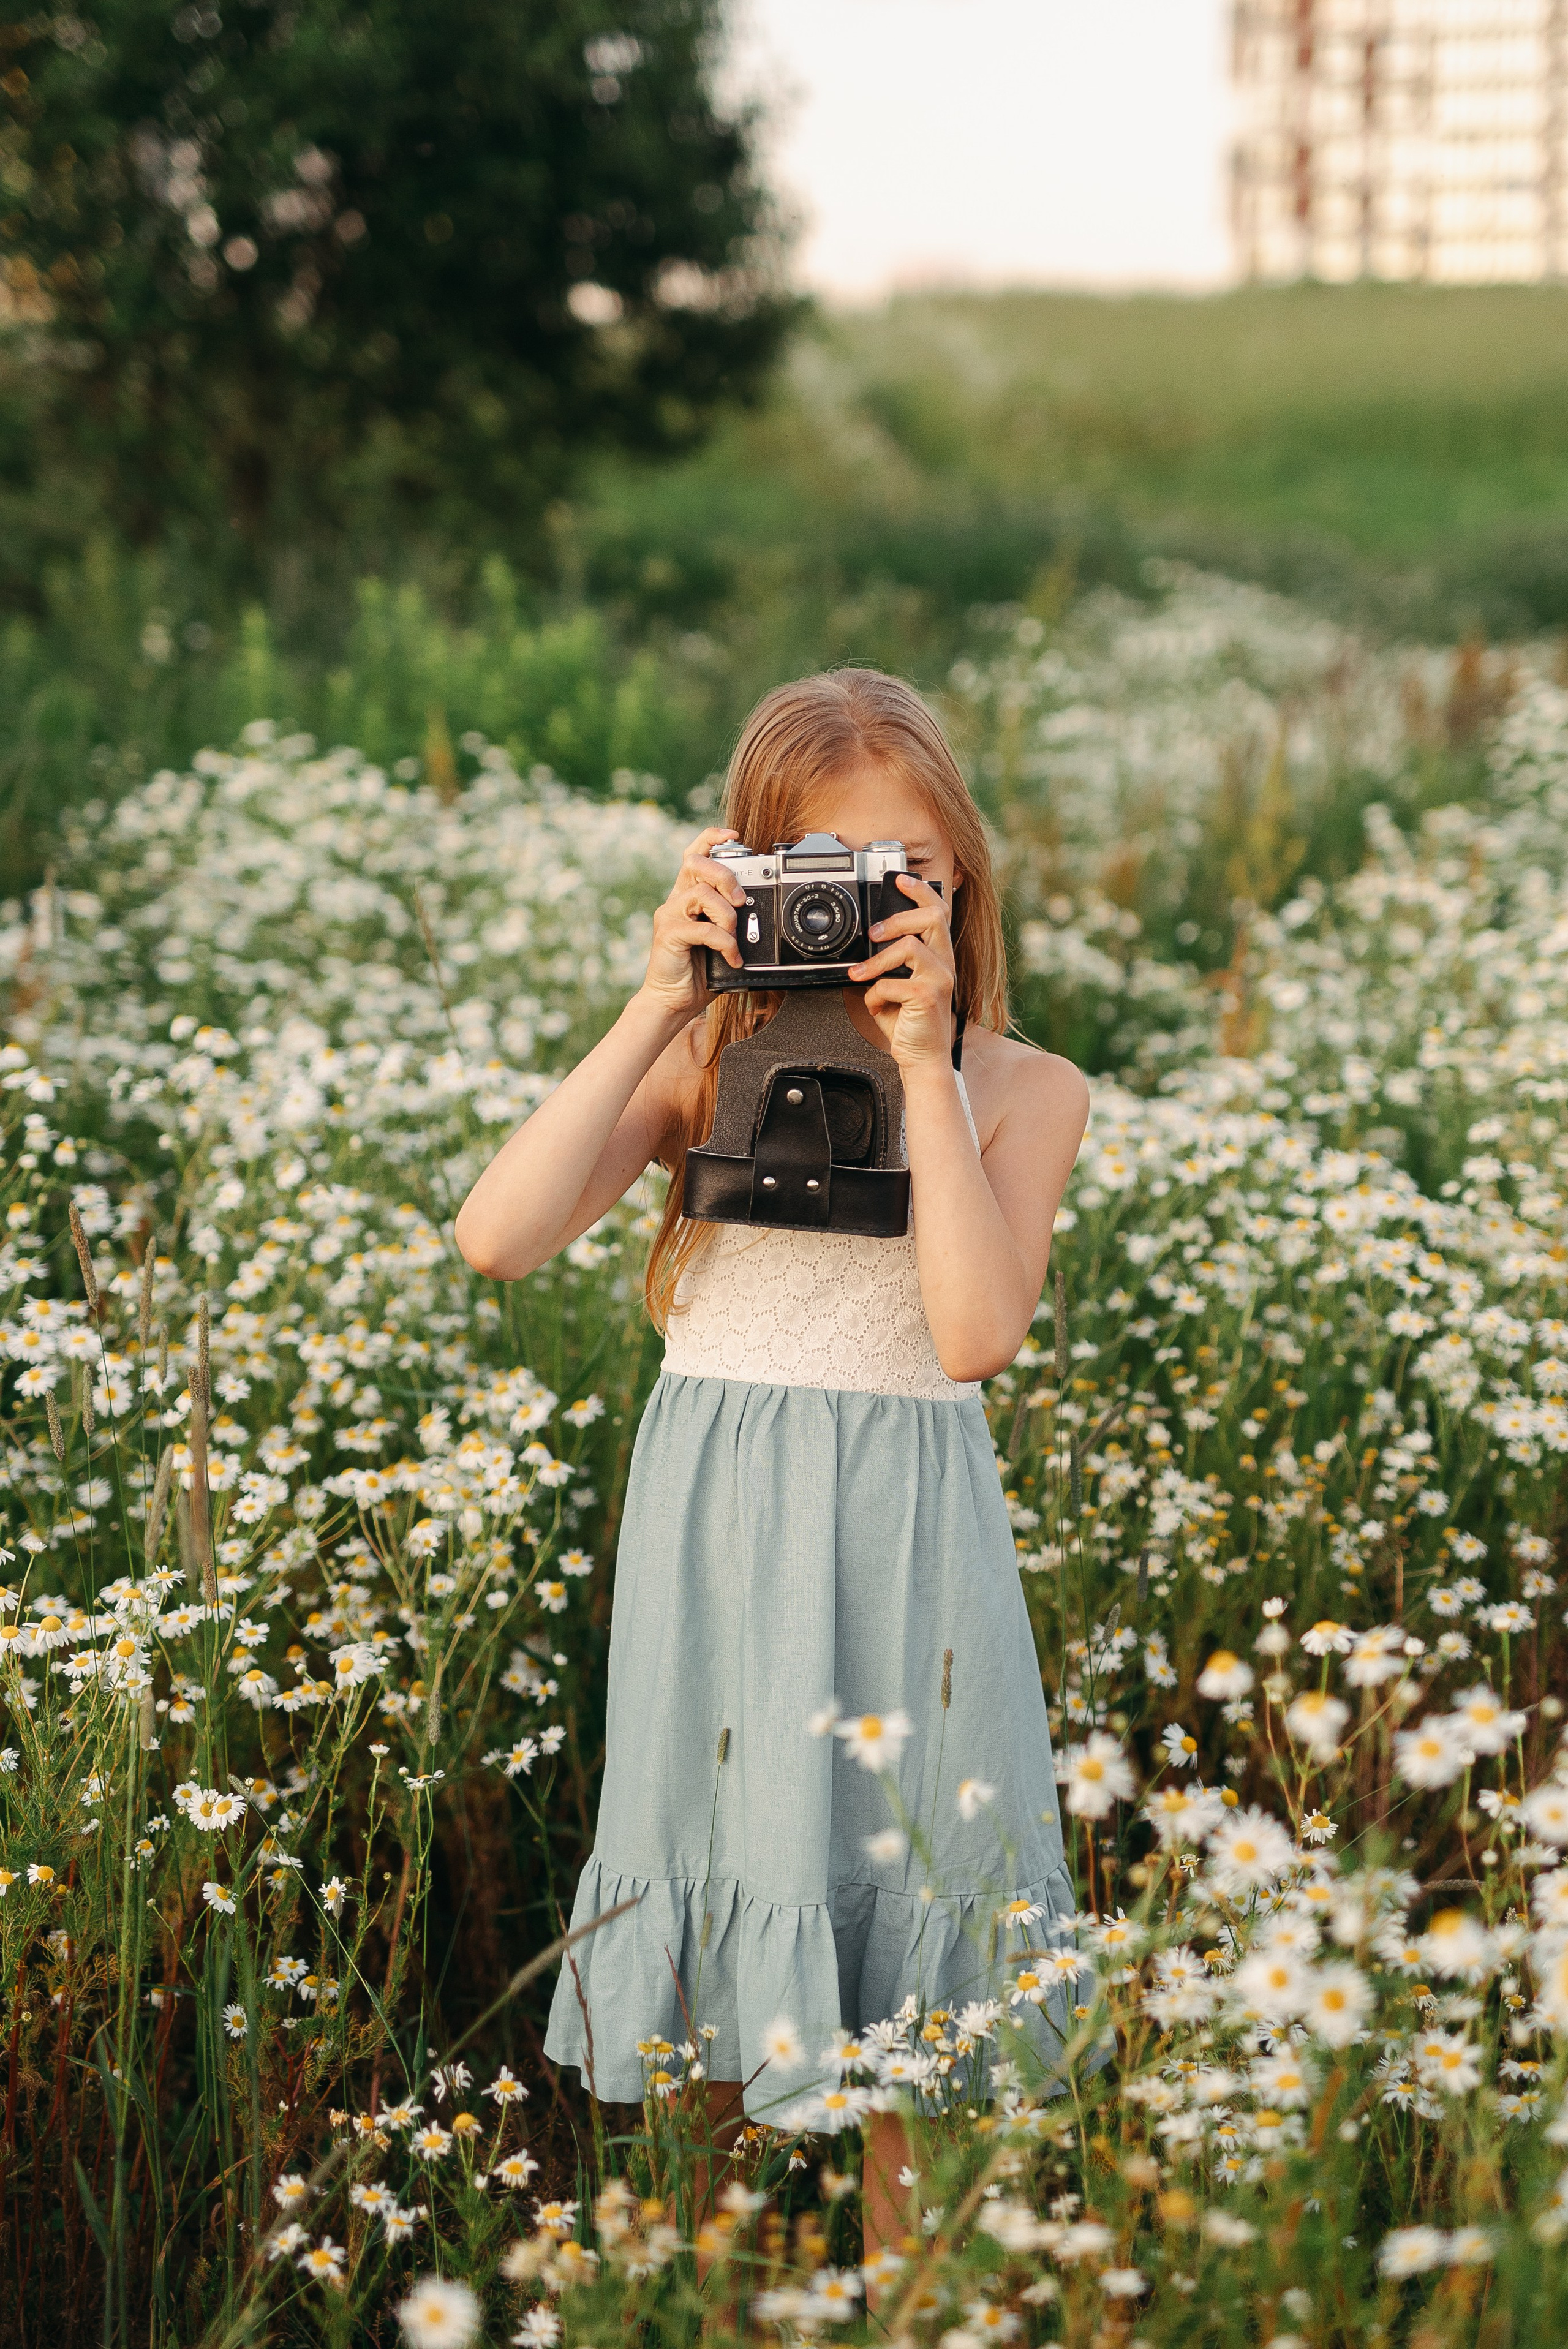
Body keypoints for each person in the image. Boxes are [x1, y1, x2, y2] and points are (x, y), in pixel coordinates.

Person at [454, 668, 1090, 2267]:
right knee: (717, 1959)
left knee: (912, 2003)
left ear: (963, 887)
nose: (873, 923)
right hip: (725, 1534)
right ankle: (709, 2290)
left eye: (907, 885)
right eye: (831, 887)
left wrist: (927, 1059)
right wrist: (661, 998)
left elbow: (970, 1331)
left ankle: (908, 2299)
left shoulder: (1025, 1092)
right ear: (749, 883)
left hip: (909, 1548)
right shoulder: (698, 1063)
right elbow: (500, 1236)